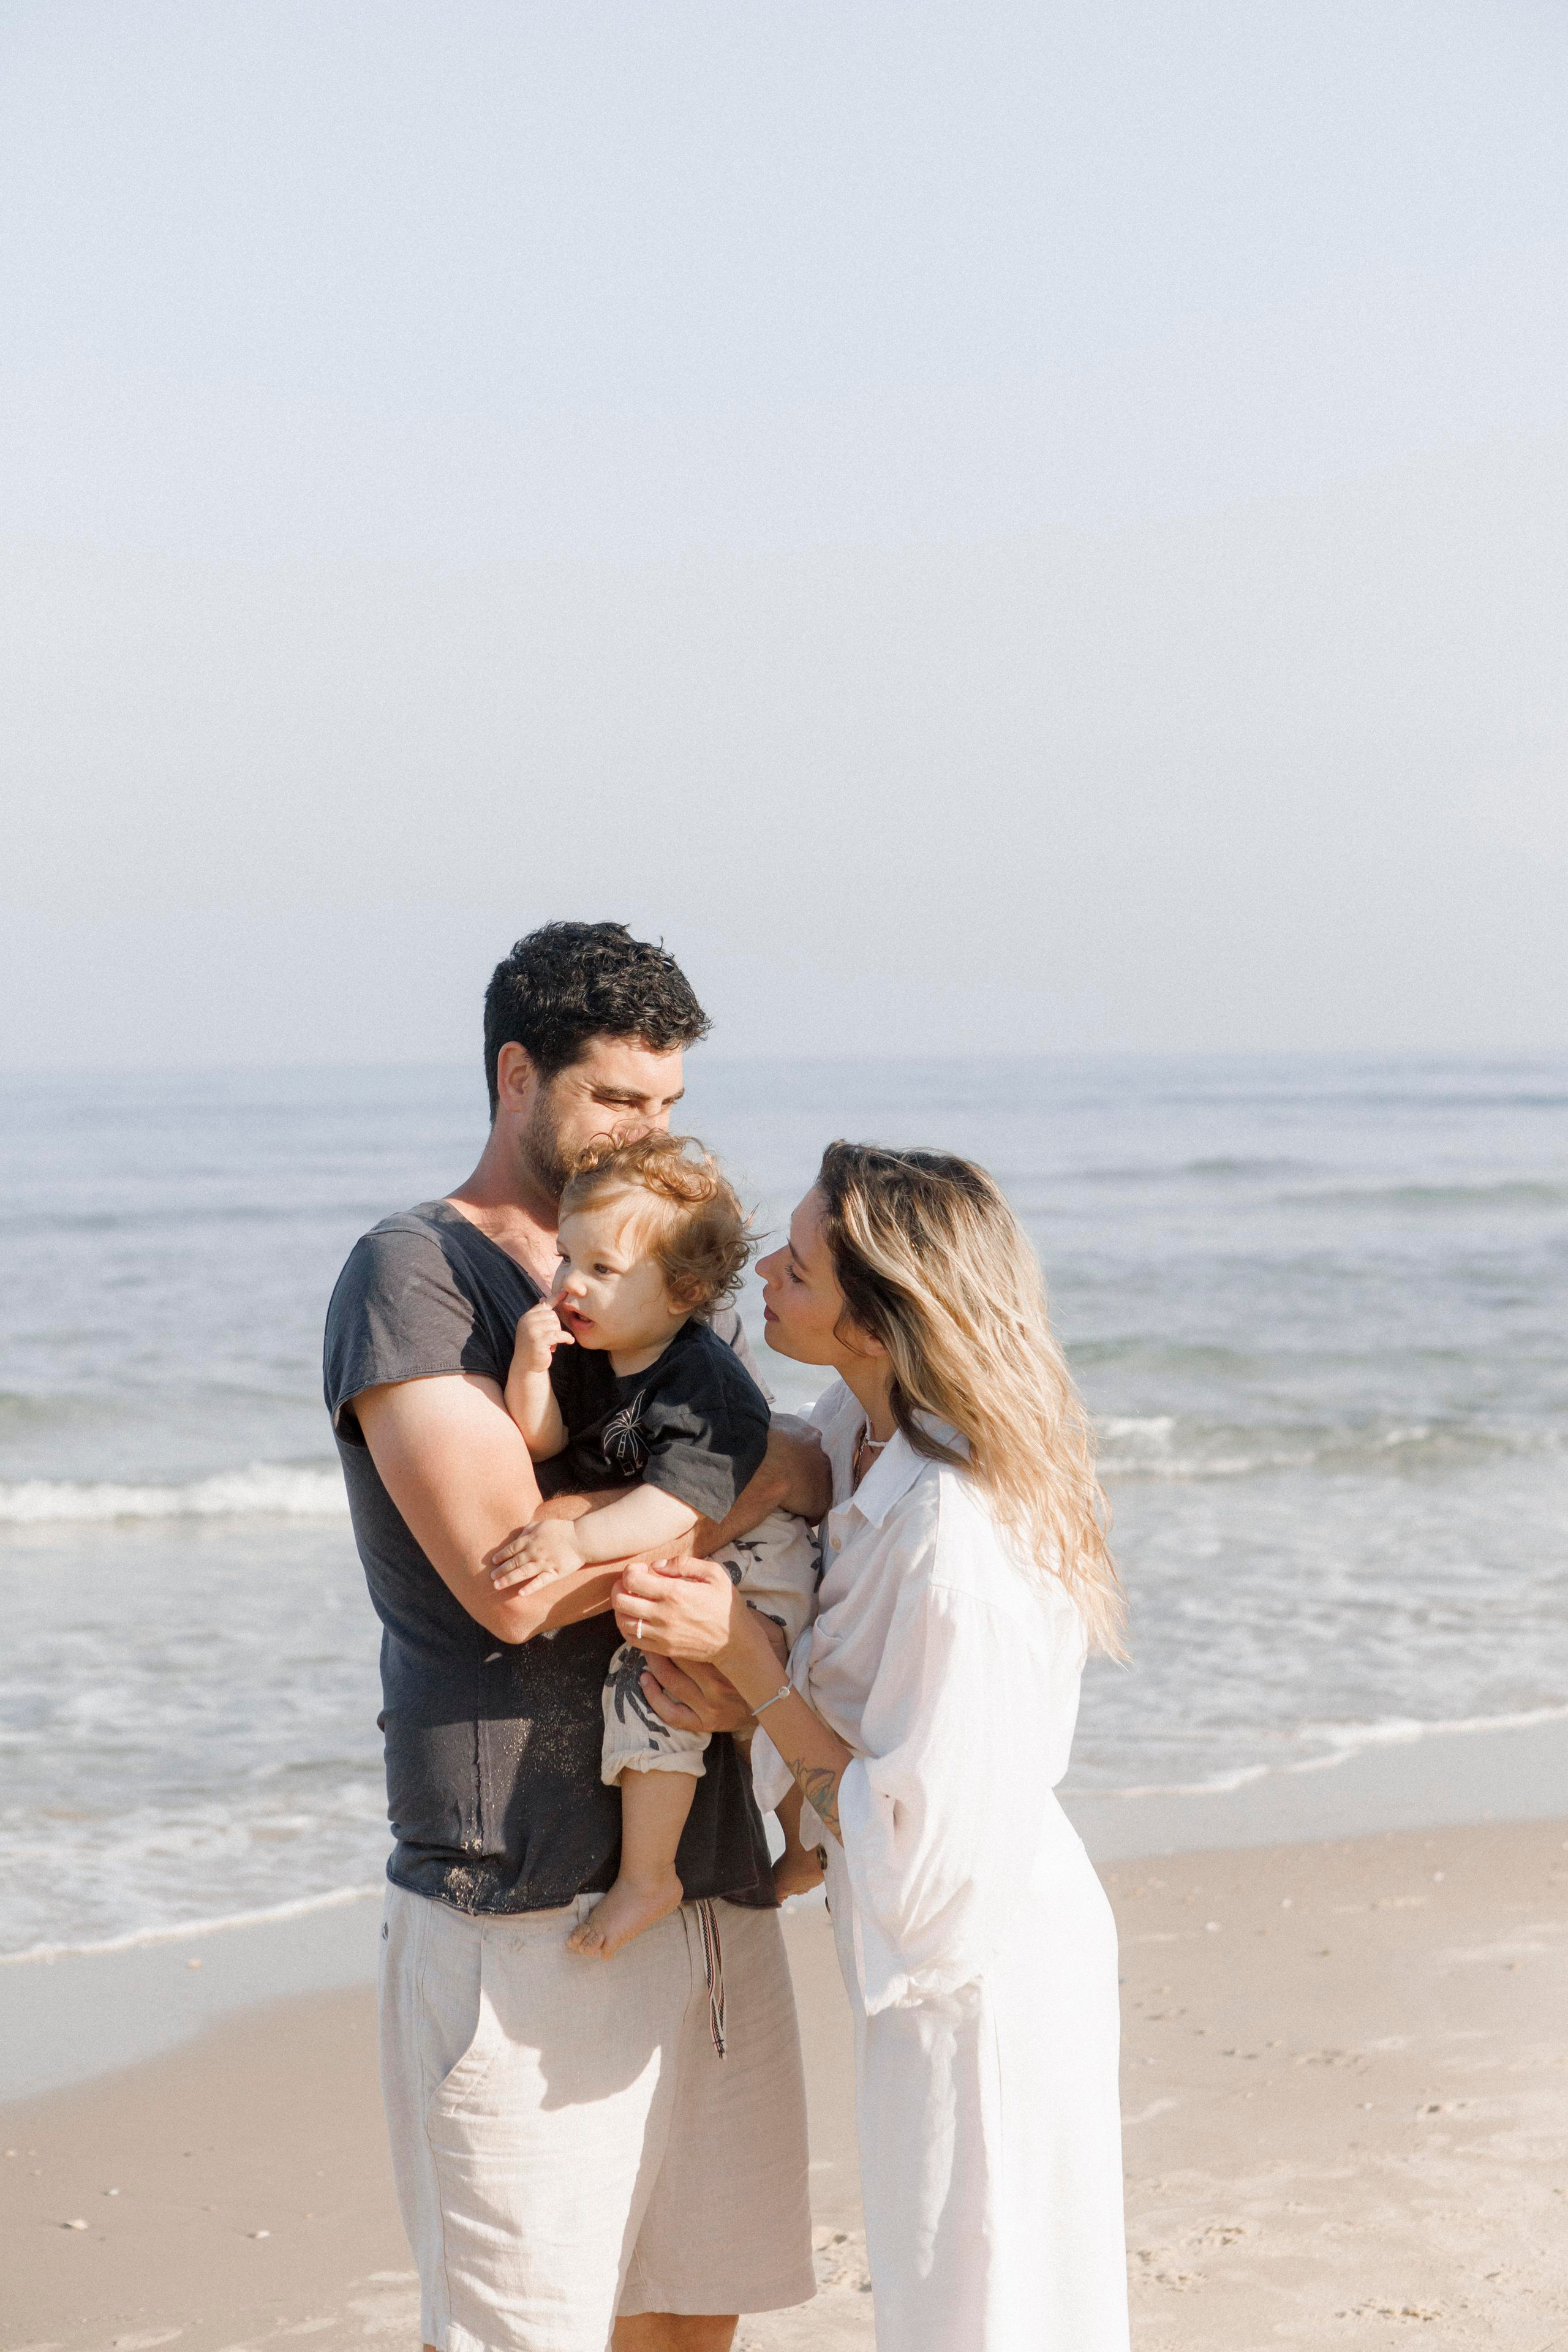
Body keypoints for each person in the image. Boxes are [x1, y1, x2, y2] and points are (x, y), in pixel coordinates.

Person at [322, 922, 827, 2352]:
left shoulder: (654, 1259)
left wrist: (742, 1517)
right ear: (513, 1073)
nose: (642, 1133)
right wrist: (734, 1506)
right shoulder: (412, 1278)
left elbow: (777, 1461)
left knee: (685, 2317)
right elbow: (513, 1588)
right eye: (613, 1100)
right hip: (521, 1899)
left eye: (665, 1107)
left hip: (706, 1882)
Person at [612, 1141, 1133, 2351]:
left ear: (873, 1322)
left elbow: (917, 1839)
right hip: (917, 1937)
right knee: (939, 2281)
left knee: (986, 2299)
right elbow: (782, 1476)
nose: (762, 1276)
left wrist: (747, 1666)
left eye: (794, 1269)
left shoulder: (958, 1545)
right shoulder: (863, 1427)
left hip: (977, 1959)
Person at [488, 1128, 823, 1959]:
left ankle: (651, 1876)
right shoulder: (594, 1346)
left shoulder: (702, 1384)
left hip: (764, 1552)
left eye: (603, 1270)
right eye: (567, 1259)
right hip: (711, 1539)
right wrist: (531, 1374)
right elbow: (542, 1441)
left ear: (683, 1292)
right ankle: (806, 1845)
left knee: (651, 1680)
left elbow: (674, 1508)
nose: (572, 1285)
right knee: (713, 1698)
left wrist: (577, 1543)